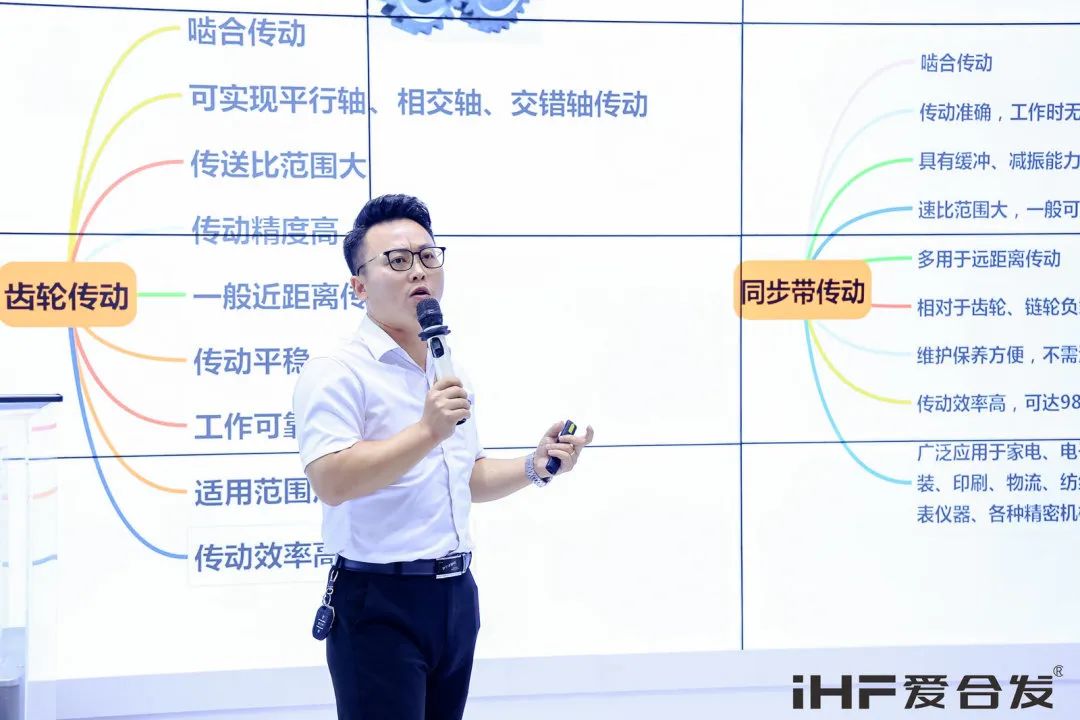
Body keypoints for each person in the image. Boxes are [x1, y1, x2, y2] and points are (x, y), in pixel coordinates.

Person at [292, 193, 594, 720]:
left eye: (428, 256)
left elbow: (466, 475)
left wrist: (536, 464)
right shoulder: (336, 370)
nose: (418, 271)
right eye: (397, 260)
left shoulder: (446, 365)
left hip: (455, 597)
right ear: (359, 286)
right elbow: (332, 481)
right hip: (379, 600)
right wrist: (428, 430)